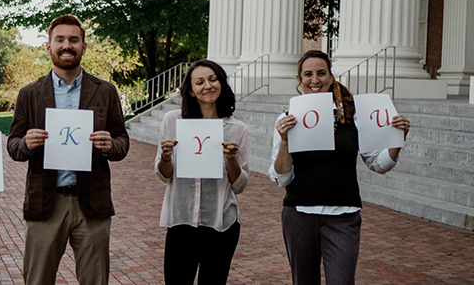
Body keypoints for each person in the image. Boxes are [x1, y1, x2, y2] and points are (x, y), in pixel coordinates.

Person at [269, 50, 411, 285]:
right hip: (300, 215)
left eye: (321, 73)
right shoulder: (287, 119)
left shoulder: (353, 116)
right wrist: (285, 140)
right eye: (308, 74)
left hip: (343, 216)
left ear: (331, 77)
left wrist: (398, 139)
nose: (315, 80)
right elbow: (282, 179)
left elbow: (378, 163)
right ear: (299, 80)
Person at [7, 14, 130, 285]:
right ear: (48, 46)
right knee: (37, 280)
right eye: (60, 39)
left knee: (95, 280)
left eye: (74, 40)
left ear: (83, 46)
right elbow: (13, 145)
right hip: (45, 203)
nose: (67, 45)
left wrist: (111, 146)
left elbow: (122, 141)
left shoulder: (105, 91)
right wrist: (26, 144)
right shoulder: (30, 93)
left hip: (92, 203)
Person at [155, 60, 249, 284]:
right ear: (191, 90)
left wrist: (231, 159)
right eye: (200, 82)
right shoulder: (173, 121)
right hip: (181, 220)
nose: (208, 85)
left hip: (221, 223)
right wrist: (166, 156)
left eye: (213, 79)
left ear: (222, 84)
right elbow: (163, 176)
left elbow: (240, 185)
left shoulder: (237, 129)